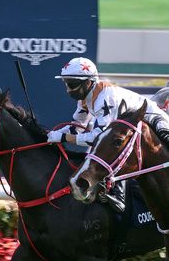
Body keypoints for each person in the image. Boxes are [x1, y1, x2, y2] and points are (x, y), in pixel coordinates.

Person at [46, 57, 169, 212]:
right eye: (66, 83)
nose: (68, 89)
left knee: (112, 148)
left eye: (72, 84)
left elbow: (96, 138)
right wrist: (52, 134)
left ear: (88, 82)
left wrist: (63, 137)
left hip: (154, 120)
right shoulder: (86, 98)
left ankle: (119, 196)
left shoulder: (105, 98)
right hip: (132, 126)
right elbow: (76, 128)